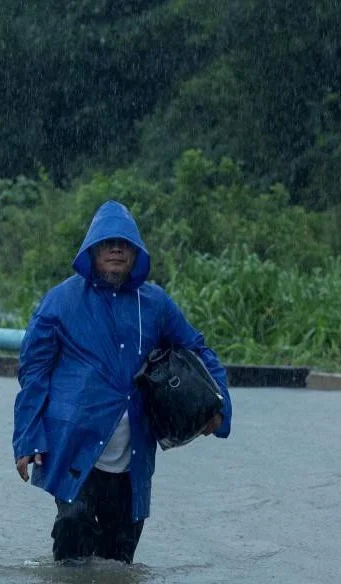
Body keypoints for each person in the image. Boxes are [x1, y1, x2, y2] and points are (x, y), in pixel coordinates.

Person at [12, 200, 232, 563]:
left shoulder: (155, 305)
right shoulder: (60, 302)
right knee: (73, 534)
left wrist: (219, 406)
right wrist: (27, 438)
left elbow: (197, 349)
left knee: (119, 563)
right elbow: (33, 373)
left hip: (133, 457)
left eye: (124, 244)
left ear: (136, 253)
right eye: (107, 243)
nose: (116, 249)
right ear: (92, 250)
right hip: (74, 446)